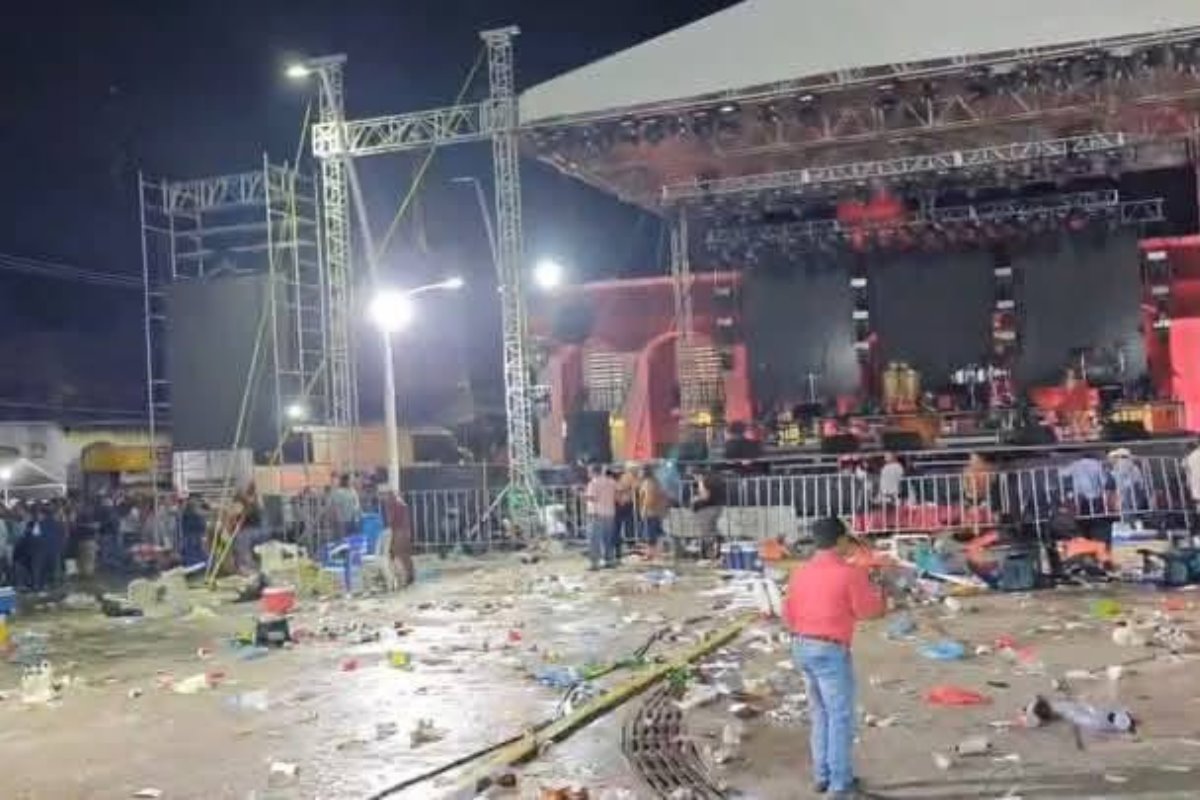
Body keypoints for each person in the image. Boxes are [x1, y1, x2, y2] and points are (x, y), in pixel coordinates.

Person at [783, 517, 885, 797]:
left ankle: (823, 774)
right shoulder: (849, 573)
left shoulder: (800, 572)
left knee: (820, 714)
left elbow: (788, 614)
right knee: (839, 717)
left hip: (801, 645)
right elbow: (868, 612)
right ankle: (840, 784)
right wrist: (881, 592)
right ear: (840, 541)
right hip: (830, 649)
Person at [583, 465, 618, 570]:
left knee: (594, 539)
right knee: (607, 538)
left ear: (592, 472)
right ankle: (609, 560)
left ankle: (594, 563)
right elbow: (617, 495)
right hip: (610, 513)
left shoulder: (593, 483)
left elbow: (592, 498)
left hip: (596, 513)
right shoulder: (611, 482)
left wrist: (580, 494)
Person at [381, 490, 415, 588]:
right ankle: (409, 576)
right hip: (404, 531)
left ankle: (403, 577)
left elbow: (391, 520)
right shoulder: (401, 504)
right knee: (405, 555)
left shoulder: (395, 505)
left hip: (399, 531)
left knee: (399, 555)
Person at [690, 470, 726, 560]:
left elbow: (705, 496)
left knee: (707, 533)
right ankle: (717, 553)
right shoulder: (717, 480)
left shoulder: (704, 481)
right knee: (712, 531)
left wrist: (696, 499)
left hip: (707, 509)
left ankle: (710, 556)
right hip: (716, 507)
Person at [637, 465, 670, 559]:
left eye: (640, 471)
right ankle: (656, 553)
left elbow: (649, 497)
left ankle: (650, 554)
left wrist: (644, 509)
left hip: (650, 511)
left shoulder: (648, 483)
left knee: (650, 534)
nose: (638, 473)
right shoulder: (655, 482)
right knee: (656, 533)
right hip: (657, 511)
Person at [1061, 453, 1106, 517]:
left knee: (1081, 513)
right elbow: (1103, 480)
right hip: (1094, 493)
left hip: (1080, 493)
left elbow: (1063, 473)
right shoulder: (1097, 464)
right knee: (1095, 513)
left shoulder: (1076, 464)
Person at [613, 465, 638, 564]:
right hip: (620, 504)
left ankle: (629, 545)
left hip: (625, 503)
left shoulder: (627, 477)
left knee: (627, 525)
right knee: (618, 527)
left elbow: (634, 487)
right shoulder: (626, 477)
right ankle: (620, 548)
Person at [330, 474, 362, 538]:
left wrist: (357, 516)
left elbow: (356, 503)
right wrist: (339, 520)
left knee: (353, 538)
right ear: (346, 481)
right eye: (350, 480)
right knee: (343, 539)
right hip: (343, 520)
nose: (352, 482)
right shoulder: (338, 492)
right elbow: (336, 507)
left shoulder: (353, 491)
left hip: (354, 519)